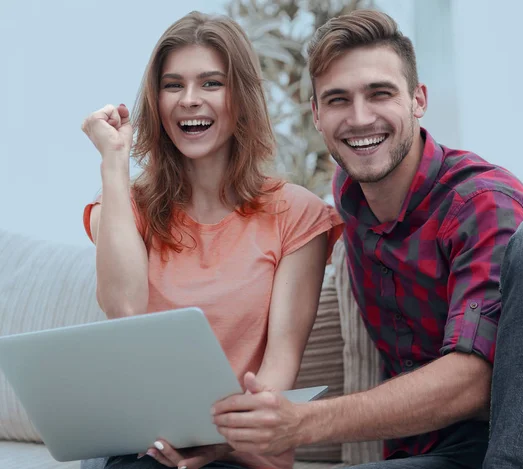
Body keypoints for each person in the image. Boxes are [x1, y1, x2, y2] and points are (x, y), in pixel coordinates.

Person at [211, 9, 523, 469]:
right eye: (338, 100)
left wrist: (304, 422)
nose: (359, 119)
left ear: (418, 99)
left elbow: (477, 382)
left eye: (380, 94)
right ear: (316, 114)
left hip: (506, 439)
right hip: (421, 453)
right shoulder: (348, 194)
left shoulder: (481, 203)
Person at [79, 11, 342, 469]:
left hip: (242, 451)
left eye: (212, 84)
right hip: (143, 446)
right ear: (156, 100)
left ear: (240, 97)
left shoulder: (296, 214)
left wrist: (219, 443)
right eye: (173, 85)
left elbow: (279, 368)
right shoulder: (122, 205)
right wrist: (114, 161)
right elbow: (122, 309)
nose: (190, 100)